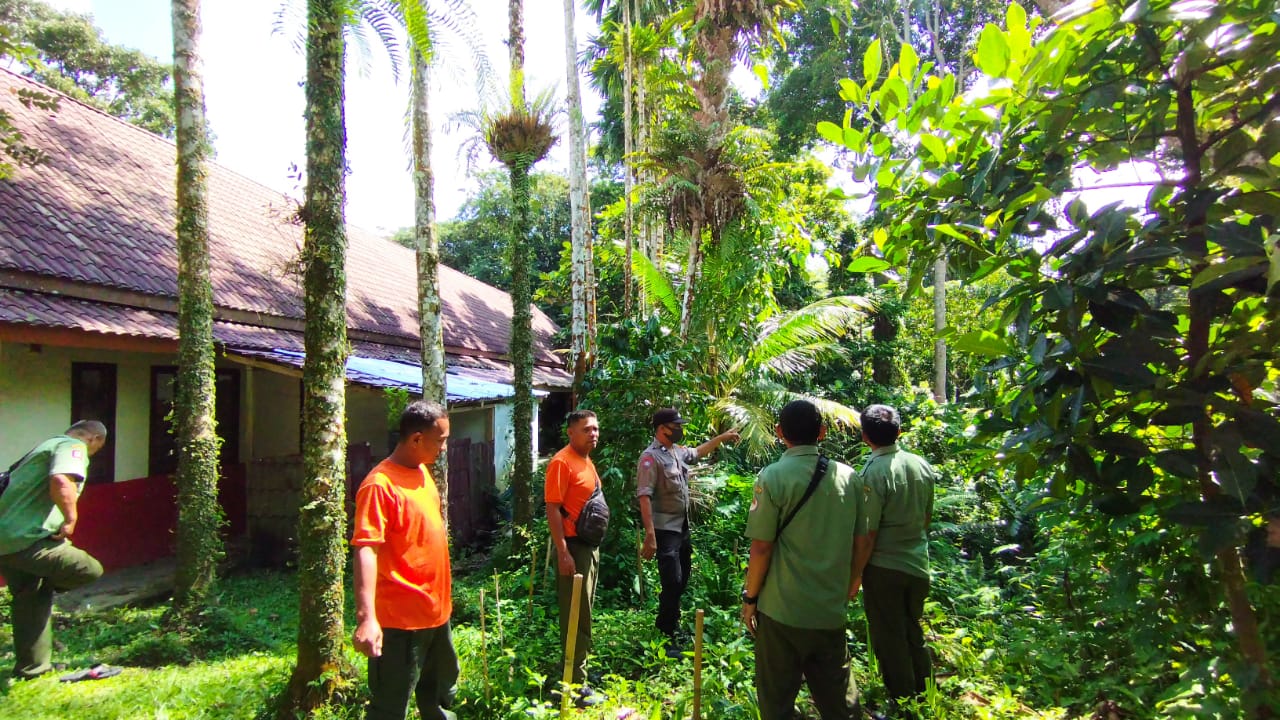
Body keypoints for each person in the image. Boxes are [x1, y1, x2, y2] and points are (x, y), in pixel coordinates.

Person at [741, 400, 861, 720]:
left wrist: (750, 598)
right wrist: (853, 582)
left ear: (780, 433)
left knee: (777, 701)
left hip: (781, 611)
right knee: (839, 703)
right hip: (829, 610)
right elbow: (863, 539)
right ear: (822, 432)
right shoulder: (849, 478)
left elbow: (762, 548)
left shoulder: (773, 477)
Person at [351, 401, 458, 720]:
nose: (444, 446)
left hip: (437, 614)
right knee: (390, 706)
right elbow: (366, 549)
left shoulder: (422, 473)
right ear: (415, 439)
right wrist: (367, 618)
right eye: (440, 439)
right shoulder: (378, 485)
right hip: (401, 620)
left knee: (438, 697)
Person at [0, 420, 108, 679]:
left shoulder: (44, 447)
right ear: (93, 439)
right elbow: (61, 479)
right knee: (89, 569)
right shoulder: (72, 447)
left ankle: (32, 669)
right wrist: (70, 518)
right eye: (97, 449)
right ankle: (52, 584)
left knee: (31, 600)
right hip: (28, 541)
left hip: (5, 545)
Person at [850, 404, 937, 714]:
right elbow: (927, 517)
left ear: (865, 437)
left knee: (890, 637)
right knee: (912, 630)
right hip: (918, 564)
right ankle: (927, 697)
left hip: (885, 568)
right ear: (899, 431)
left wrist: (856, 575)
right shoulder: (921, 465)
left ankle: (903, 704)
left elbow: (868, 533)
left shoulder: (873, 473)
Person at [635, 408, 738, 655]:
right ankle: (665, 633)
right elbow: (644, 497)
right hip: (664, 529)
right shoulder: (650, 458)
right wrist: (650, 535)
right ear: (662, 429)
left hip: (681, 527)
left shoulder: (675, 452)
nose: (680, 429)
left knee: (682, 580)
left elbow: (697, 452)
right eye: (676, 425)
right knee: (672, 580)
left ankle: (671, 622)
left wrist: (722, 438)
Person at [544, 409, 606, 707]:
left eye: (595, 429)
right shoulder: (561, 462)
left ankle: (578, 672)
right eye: (587, 429)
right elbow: (553, 508)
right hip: (573, 548)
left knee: (584, 612)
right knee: (575, 614)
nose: (593, 434)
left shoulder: (586, 461)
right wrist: (563, 552)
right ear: (571, 432)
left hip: (588, 548)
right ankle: (572, 684)